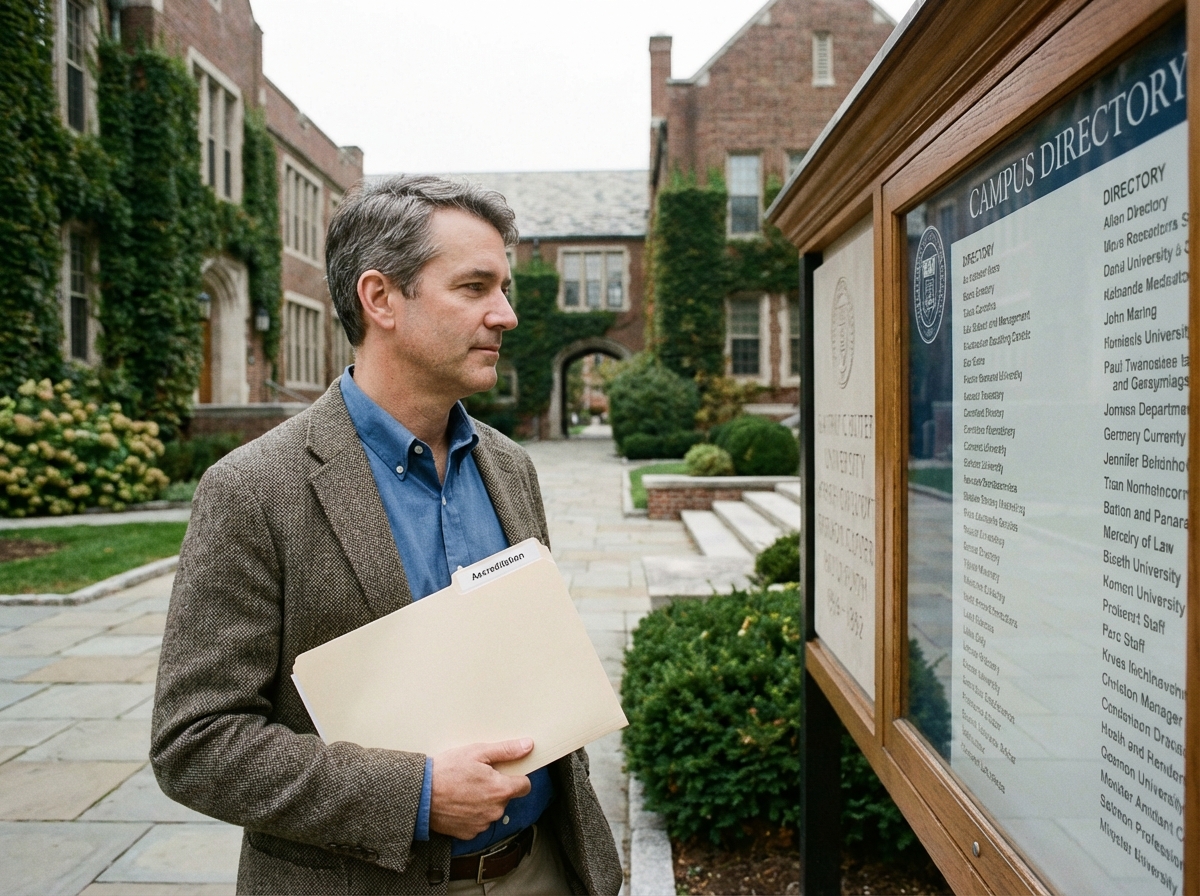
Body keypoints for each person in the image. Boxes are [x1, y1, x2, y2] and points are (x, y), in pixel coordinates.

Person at [150, 175, 622, 895]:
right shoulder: (252, 490)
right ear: (380, 299)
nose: (507, 315)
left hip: (543, 869)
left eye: (504, 287)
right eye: (475, 287)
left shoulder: (510, 466)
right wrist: (418, 794)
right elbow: (196, 743)